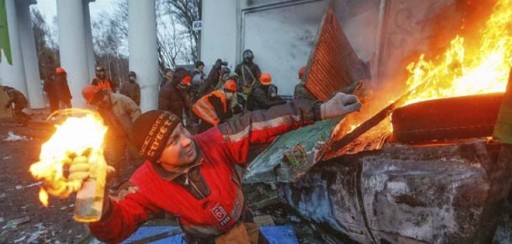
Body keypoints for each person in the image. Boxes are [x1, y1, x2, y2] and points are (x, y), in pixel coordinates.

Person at [68, 90, 361, 243]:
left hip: (245, 229)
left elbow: (260, 120)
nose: (186, 141)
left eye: (182, 130)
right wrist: (97, 203)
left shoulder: (214, 140)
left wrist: (320, 110)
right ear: (155, 158)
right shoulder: (144, 183)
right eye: (172, 142)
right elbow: (115, 229)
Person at [82, 85, 141, 184]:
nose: (100, 104)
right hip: (116, 136)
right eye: (95, 103)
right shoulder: (99, 109)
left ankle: (141, 178)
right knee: (114, 160)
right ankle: (116, 179)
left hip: (131, 133)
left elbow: (135, 111)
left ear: (103, 95)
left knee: (138, 156)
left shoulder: (121, 100)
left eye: (100, 100)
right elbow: (98, 122)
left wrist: (136, 127)